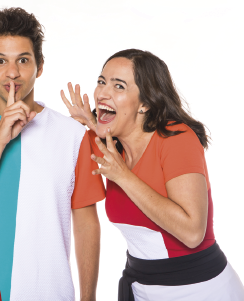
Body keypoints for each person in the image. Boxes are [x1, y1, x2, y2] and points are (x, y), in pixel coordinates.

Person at [0, 8, 105, 301]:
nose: (12, 73)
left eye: (23, 60)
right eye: (0, 61)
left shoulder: (73, 135)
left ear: (39, 67)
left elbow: (86, 222)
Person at [61, 49, 244, 300]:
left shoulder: (176, 139)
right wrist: (94, 125)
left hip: (201, 290)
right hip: (143, 289)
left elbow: (192, 233)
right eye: (102, 82)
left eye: (119, 86)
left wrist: (124, 176)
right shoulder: (111, 146)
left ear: (145, 104)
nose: (103, 93)